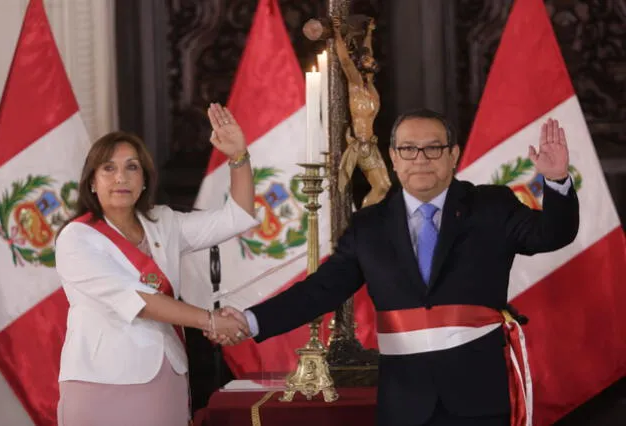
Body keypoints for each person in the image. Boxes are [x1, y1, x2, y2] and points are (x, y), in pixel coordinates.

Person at [216, 109, 580, 426]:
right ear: (393, 156)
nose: (420, 158)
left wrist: (557, 180)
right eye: (408, 148)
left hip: (478, 395)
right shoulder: (369, 226)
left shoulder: (492, 205)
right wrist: (250, 321)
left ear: (453, 154)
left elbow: (552, 235)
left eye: (433, 147)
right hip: (405, 403)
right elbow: (320, 290)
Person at [55, 103, 254, 426]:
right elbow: (138, 301)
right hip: (100, 382)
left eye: (132, 167)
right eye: (108, 168)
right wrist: (210, 321)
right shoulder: (76, 238)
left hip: (165, 375)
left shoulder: (163, 222)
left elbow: (238, 217)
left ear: (145, 179)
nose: (121, 177)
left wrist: (238, 157)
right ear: (91, 181)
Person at [334, 16, 392, 207]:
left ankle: (368, 218)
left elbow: (368, 51)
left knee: (386, 186)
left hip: (371, 145)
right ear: (360, 64)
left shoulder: (370, 86)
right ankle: (363, 219)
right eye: (367, 60)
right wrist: (336, 32)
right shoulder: (356, 85)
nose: (371, 60)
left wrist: (369, 32)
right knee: (381, 187)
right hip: (360, 146)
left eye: (371, 59)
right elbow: (344, 60)